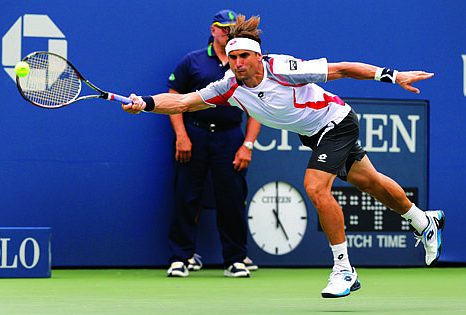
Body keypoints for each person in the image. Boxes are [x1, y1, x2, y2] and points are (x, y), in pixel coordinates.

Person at [123, 15, 444, 297]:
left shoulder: (284, 69)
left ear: (258, 57)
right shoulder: (228, 87)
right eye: (233, 57)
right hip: (313, 134)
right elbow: (182, 102)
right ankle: (424, 222)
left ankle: (344, 270)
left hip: (337, 121)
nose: (238, 63)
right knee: (371, 183)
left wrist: (393, 75)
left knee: (316, 187)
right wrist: (146, 103)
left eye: (244, 56)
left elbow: (344, 69)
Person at [165, 10, 261, 278]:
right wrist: (181, 136)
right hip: (195, 134)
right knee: (186, 196)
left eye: (231, 28)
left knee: (232, 198)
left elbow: (257, 107)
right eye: (222, 28)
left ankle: (235, 259)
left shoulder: (243, 64)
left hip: (230, 136)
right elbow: (175, 99)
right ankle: (180, 258)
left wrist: (248, 144)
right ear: (213, 29)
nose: (226, 32)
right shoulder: (192, 61)